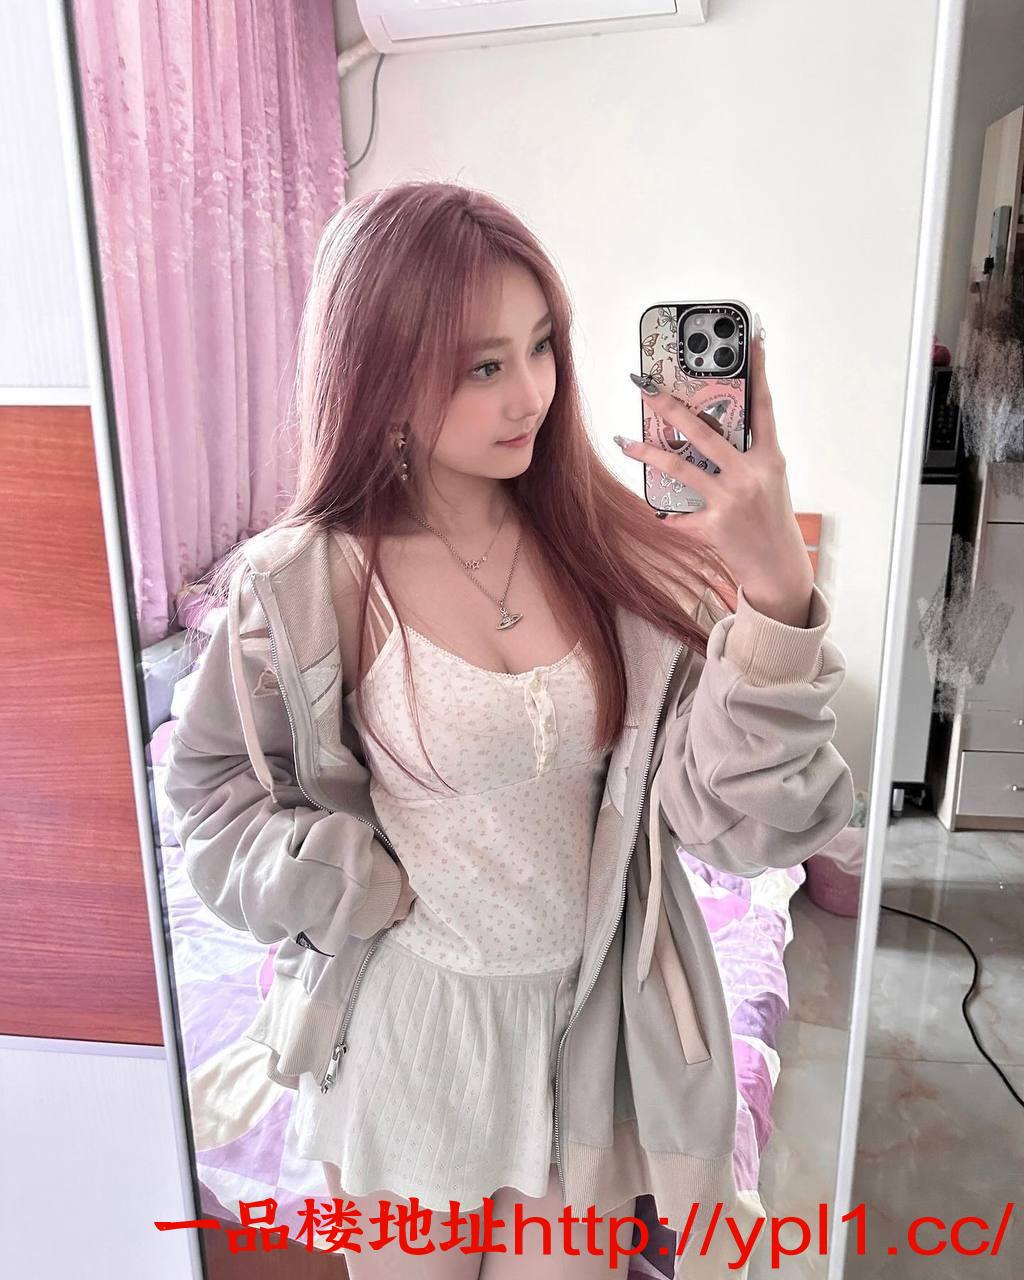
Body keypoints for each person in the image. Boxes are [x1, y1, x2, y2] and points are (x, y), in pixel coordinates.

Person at [166, 179, 854, 1278]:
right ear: (378, 372)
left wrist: (773, 586)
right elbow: (210, 792)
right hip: (409, 1041)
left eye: (541, 347)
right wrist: (332, 873)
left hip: (586, 1036)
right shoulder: (303, 582)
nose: (530, 393)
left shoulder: (620, 561)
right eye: (482, 366)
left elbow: (743, 830)